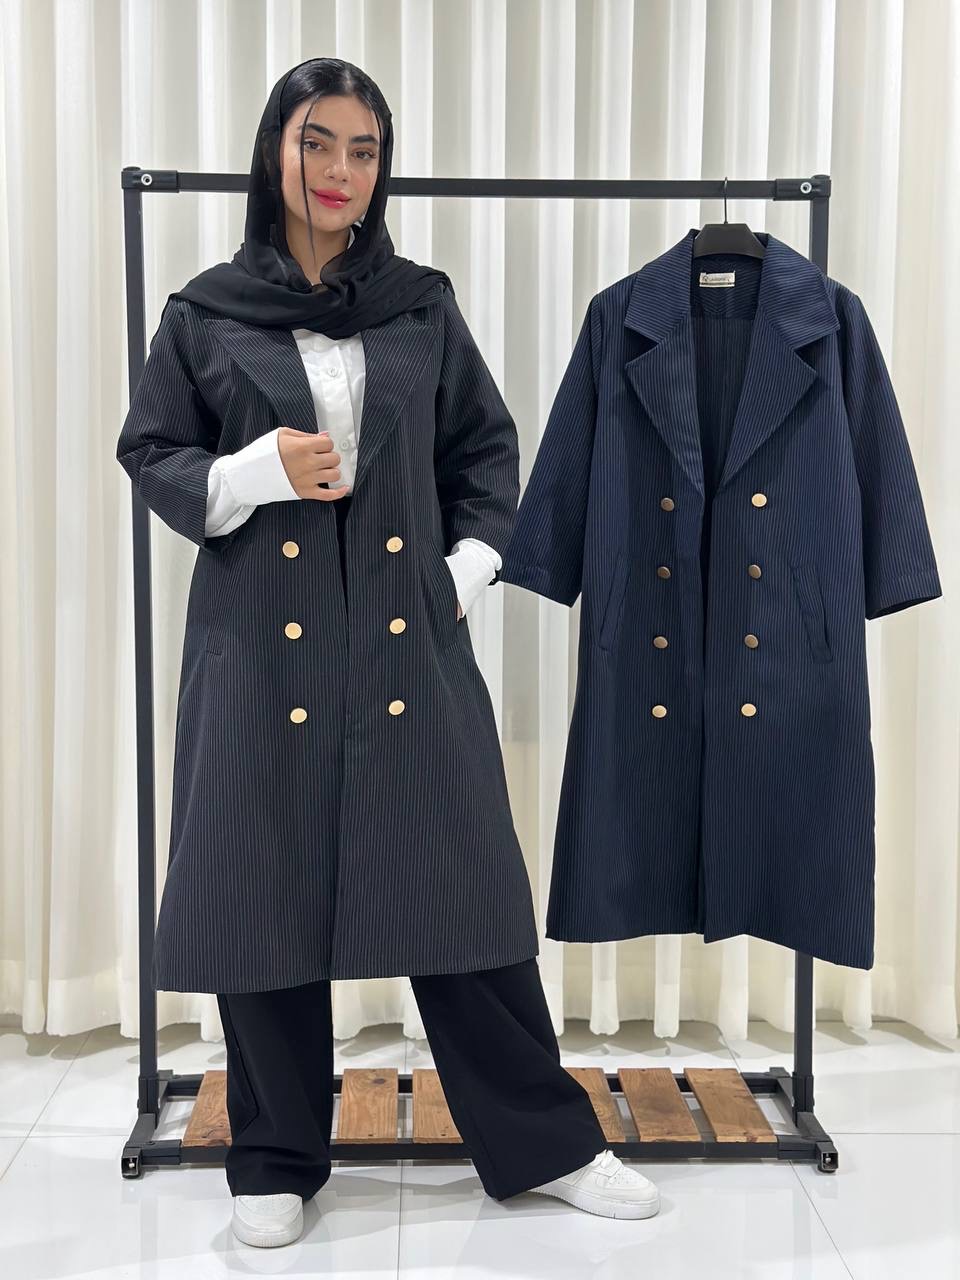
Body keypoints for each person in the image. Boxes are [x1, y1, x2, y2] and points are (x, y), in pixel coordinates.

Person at [117, 56, 660, 1249]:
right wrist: (252, 472)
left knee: (461, 890)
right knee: (263, 892)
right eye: (318, 143)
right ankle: (275, 1152)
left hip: (412, 646)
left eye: (363, 151)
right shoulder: (205, 311)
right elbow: (152, 451)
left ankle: (549, 1142)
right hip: (259, 646)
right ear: (276, 150)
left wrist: (466, 571)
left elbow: (487, 452)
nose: (340, 171)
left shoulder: (420, 304)